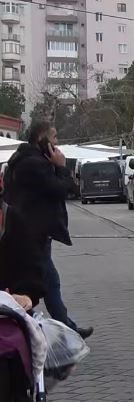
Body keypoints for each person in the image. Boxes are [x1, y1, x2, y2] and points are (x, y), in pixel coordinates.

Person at [2, 121, 92, 339]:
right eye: (54, 138)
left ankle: (64, 327)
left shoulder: (22, 160)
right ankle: (63, 330)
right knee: (47, 282)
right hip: (33, 233)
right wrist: (61, 166)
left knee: (48, 281)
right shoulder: (34, 164)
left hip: (30, 231)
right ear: (42, 140)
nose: (57, 143)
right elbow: (63, 190)